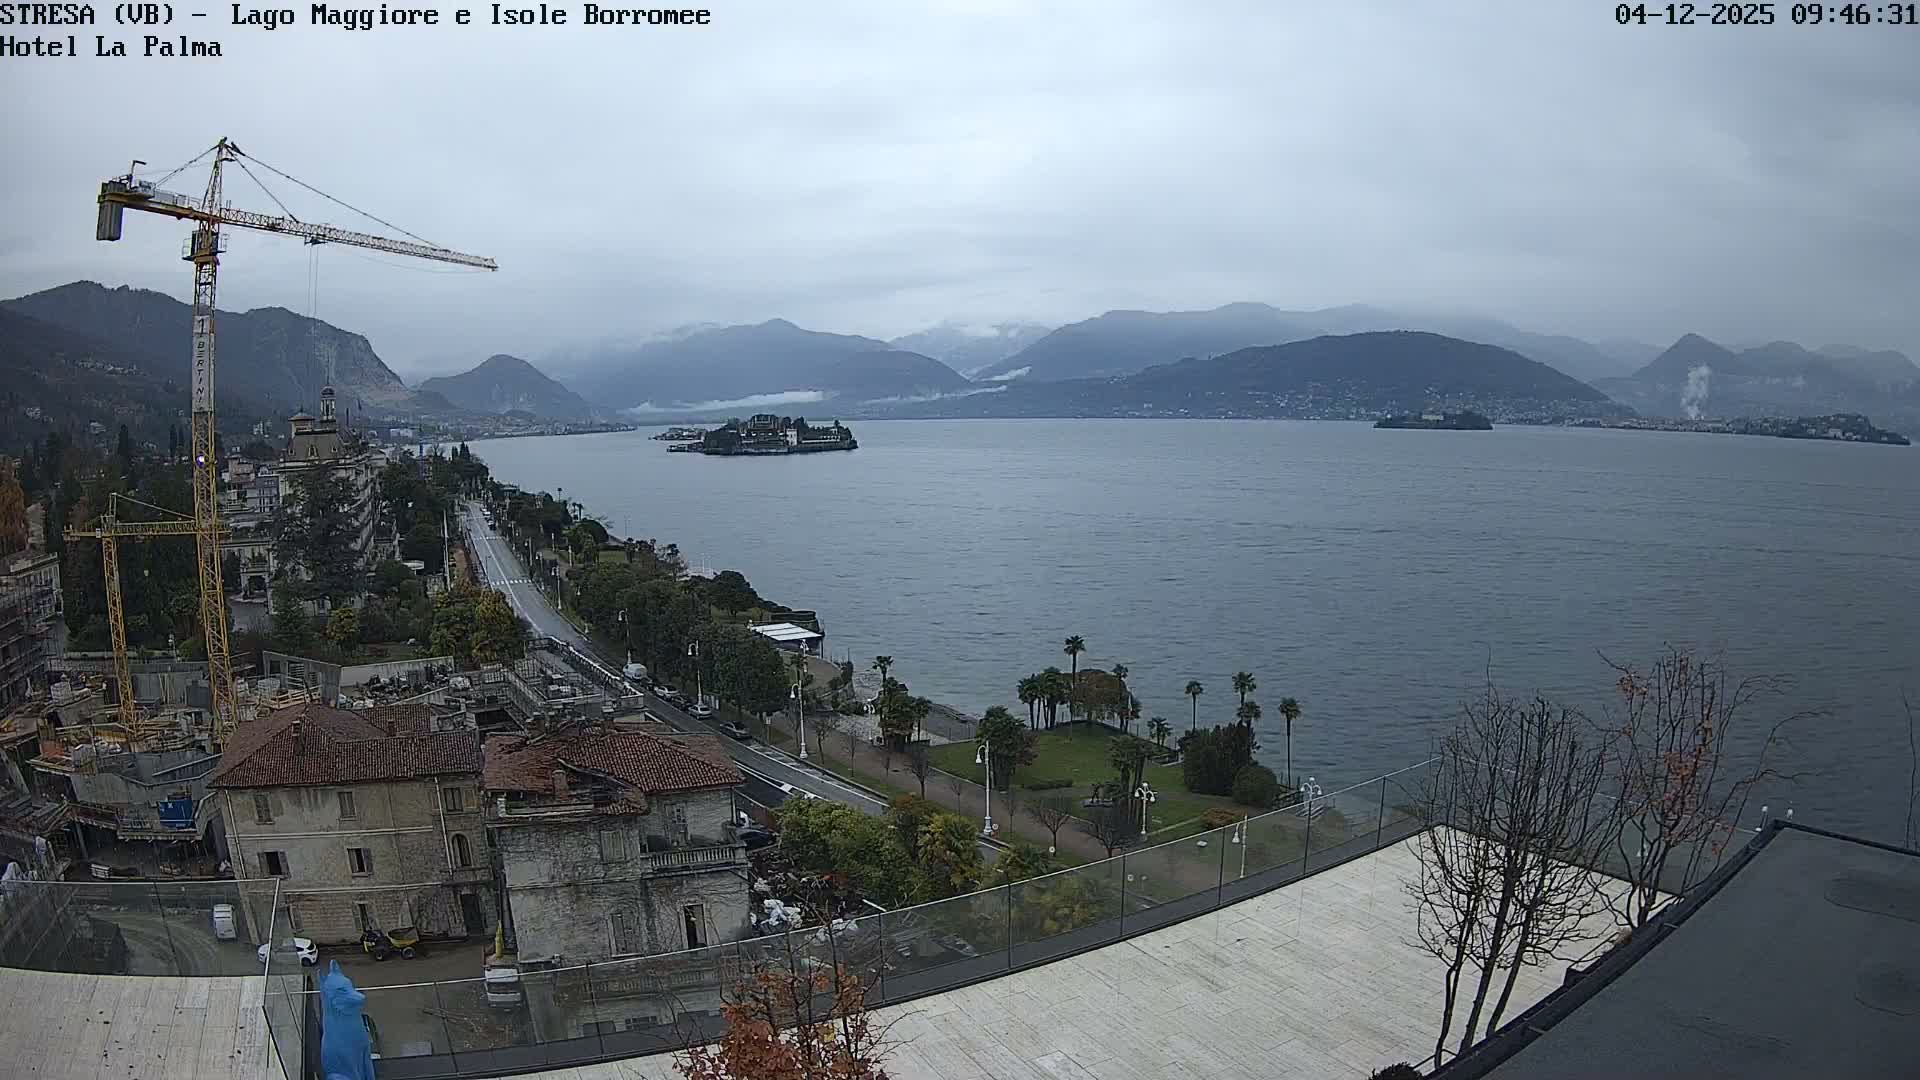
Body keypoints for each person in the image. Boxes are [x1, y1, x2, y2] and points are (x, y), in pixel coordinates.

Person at [319, 960, 375, 1080]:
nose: (360, 996)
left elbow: (366, 1057)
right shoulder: (335, 1040)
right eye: (342, 991)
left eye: (350, 987)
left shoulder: (356, 1022)